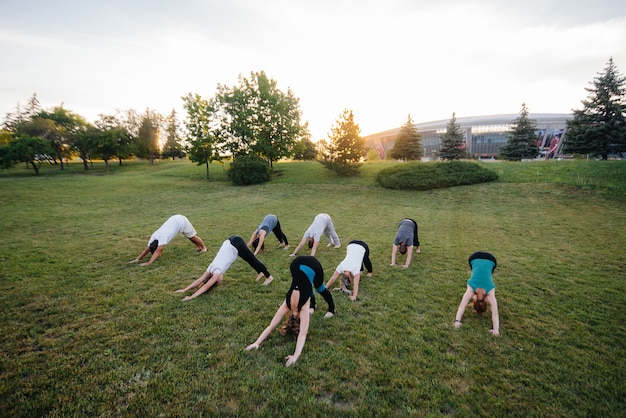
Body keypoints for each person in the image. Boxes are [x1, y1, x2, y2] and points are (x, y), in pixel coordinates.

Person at [245, 256, 335, 367]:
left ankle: (331, 309)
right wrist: (294, 356)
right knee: (315, 286)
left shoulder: (293, 306)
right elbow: (301, 334)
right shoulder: (297, 307)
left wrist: (257, 342)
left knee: (316, 286)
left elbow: (273, 326)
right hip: (304, 265)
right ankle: (326, 307)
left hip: (299, 264)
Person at [175, 235, 275, 301]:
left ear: (215, 279)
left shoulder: (217, 272)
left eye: (219, 282)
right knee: (250, 260)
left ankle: (269, 277)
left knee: (253, 260)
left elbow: (205, 286)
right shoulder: (211, 268)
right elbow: (201, 280)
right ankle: (260, 273)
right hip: (230, 241)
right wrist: (184, 290)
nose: (221, 280)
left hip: (235, 243)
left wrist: (191, 297)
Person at [130, 214, 207, 266]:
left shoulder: (162, 237)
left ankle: (203, 248)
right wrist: (137, 259)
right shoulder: (154, 236)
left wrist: (149, 263)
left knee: (192, 237)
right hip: (174, 219)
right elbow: (147, 249)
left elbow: (158, 251)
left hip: (181, 221)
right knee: (189, 237)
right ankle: (199, 247)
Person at [453, 251, 500, 336]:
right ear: (474, 300)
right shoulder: (471, 288)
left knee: (485, 271)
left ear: (486, 301)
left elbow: (495, 313)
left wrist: (496, 330)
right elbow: (462, 306)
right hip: (474, 257)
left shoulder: (490, 291)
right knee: (479, 270)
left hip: (491, 259)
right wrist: (457, 321)